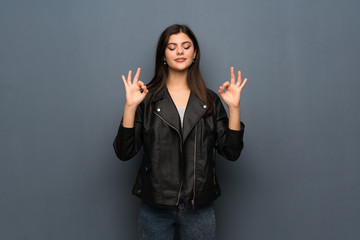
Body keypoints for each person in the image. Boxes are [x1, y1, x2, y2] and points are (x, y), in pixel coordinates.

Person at [113, 24, 247, 240]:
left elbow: (231, 152)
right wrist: (130, 107)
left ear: (194, 54)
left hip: (199, 207)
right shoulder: (146, 99)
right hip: (155, 205)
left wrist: (235, 109)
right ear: (163, 56)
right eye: (172, 47)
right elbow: (124, 152)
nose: (180, 51)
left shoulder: (210, 100)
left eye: (186, 46)